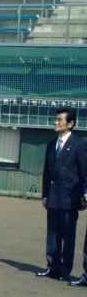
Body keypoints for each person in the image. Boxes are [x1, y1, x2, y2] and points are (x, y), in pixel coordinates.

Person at [36, 107, 87, 282]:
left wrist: (84, 193)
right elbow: (46, 172)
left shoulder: (79, 144)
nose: (56, 122)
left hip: (70, 198)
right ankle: (52, 267)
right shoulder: (51, 144)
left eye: (59, 120)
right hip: (53, 197)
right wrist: (45, 195)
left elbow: (84, 172)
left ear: (70, 123)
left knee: (68, 235)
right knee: (52, 234)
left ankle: (65, 270)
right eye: (56, 119)